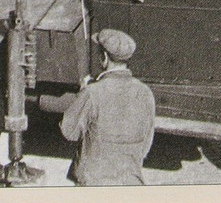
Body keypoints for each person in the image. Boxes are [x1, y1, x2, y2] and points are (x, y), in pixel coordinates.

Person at [59, 28, 156, 186]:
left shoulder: (92, 92)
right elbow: (146, 144)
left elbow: (69, 131)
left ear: (103, 58)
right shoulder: (145, 93)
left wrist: (82, 94)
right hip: (131, 183)